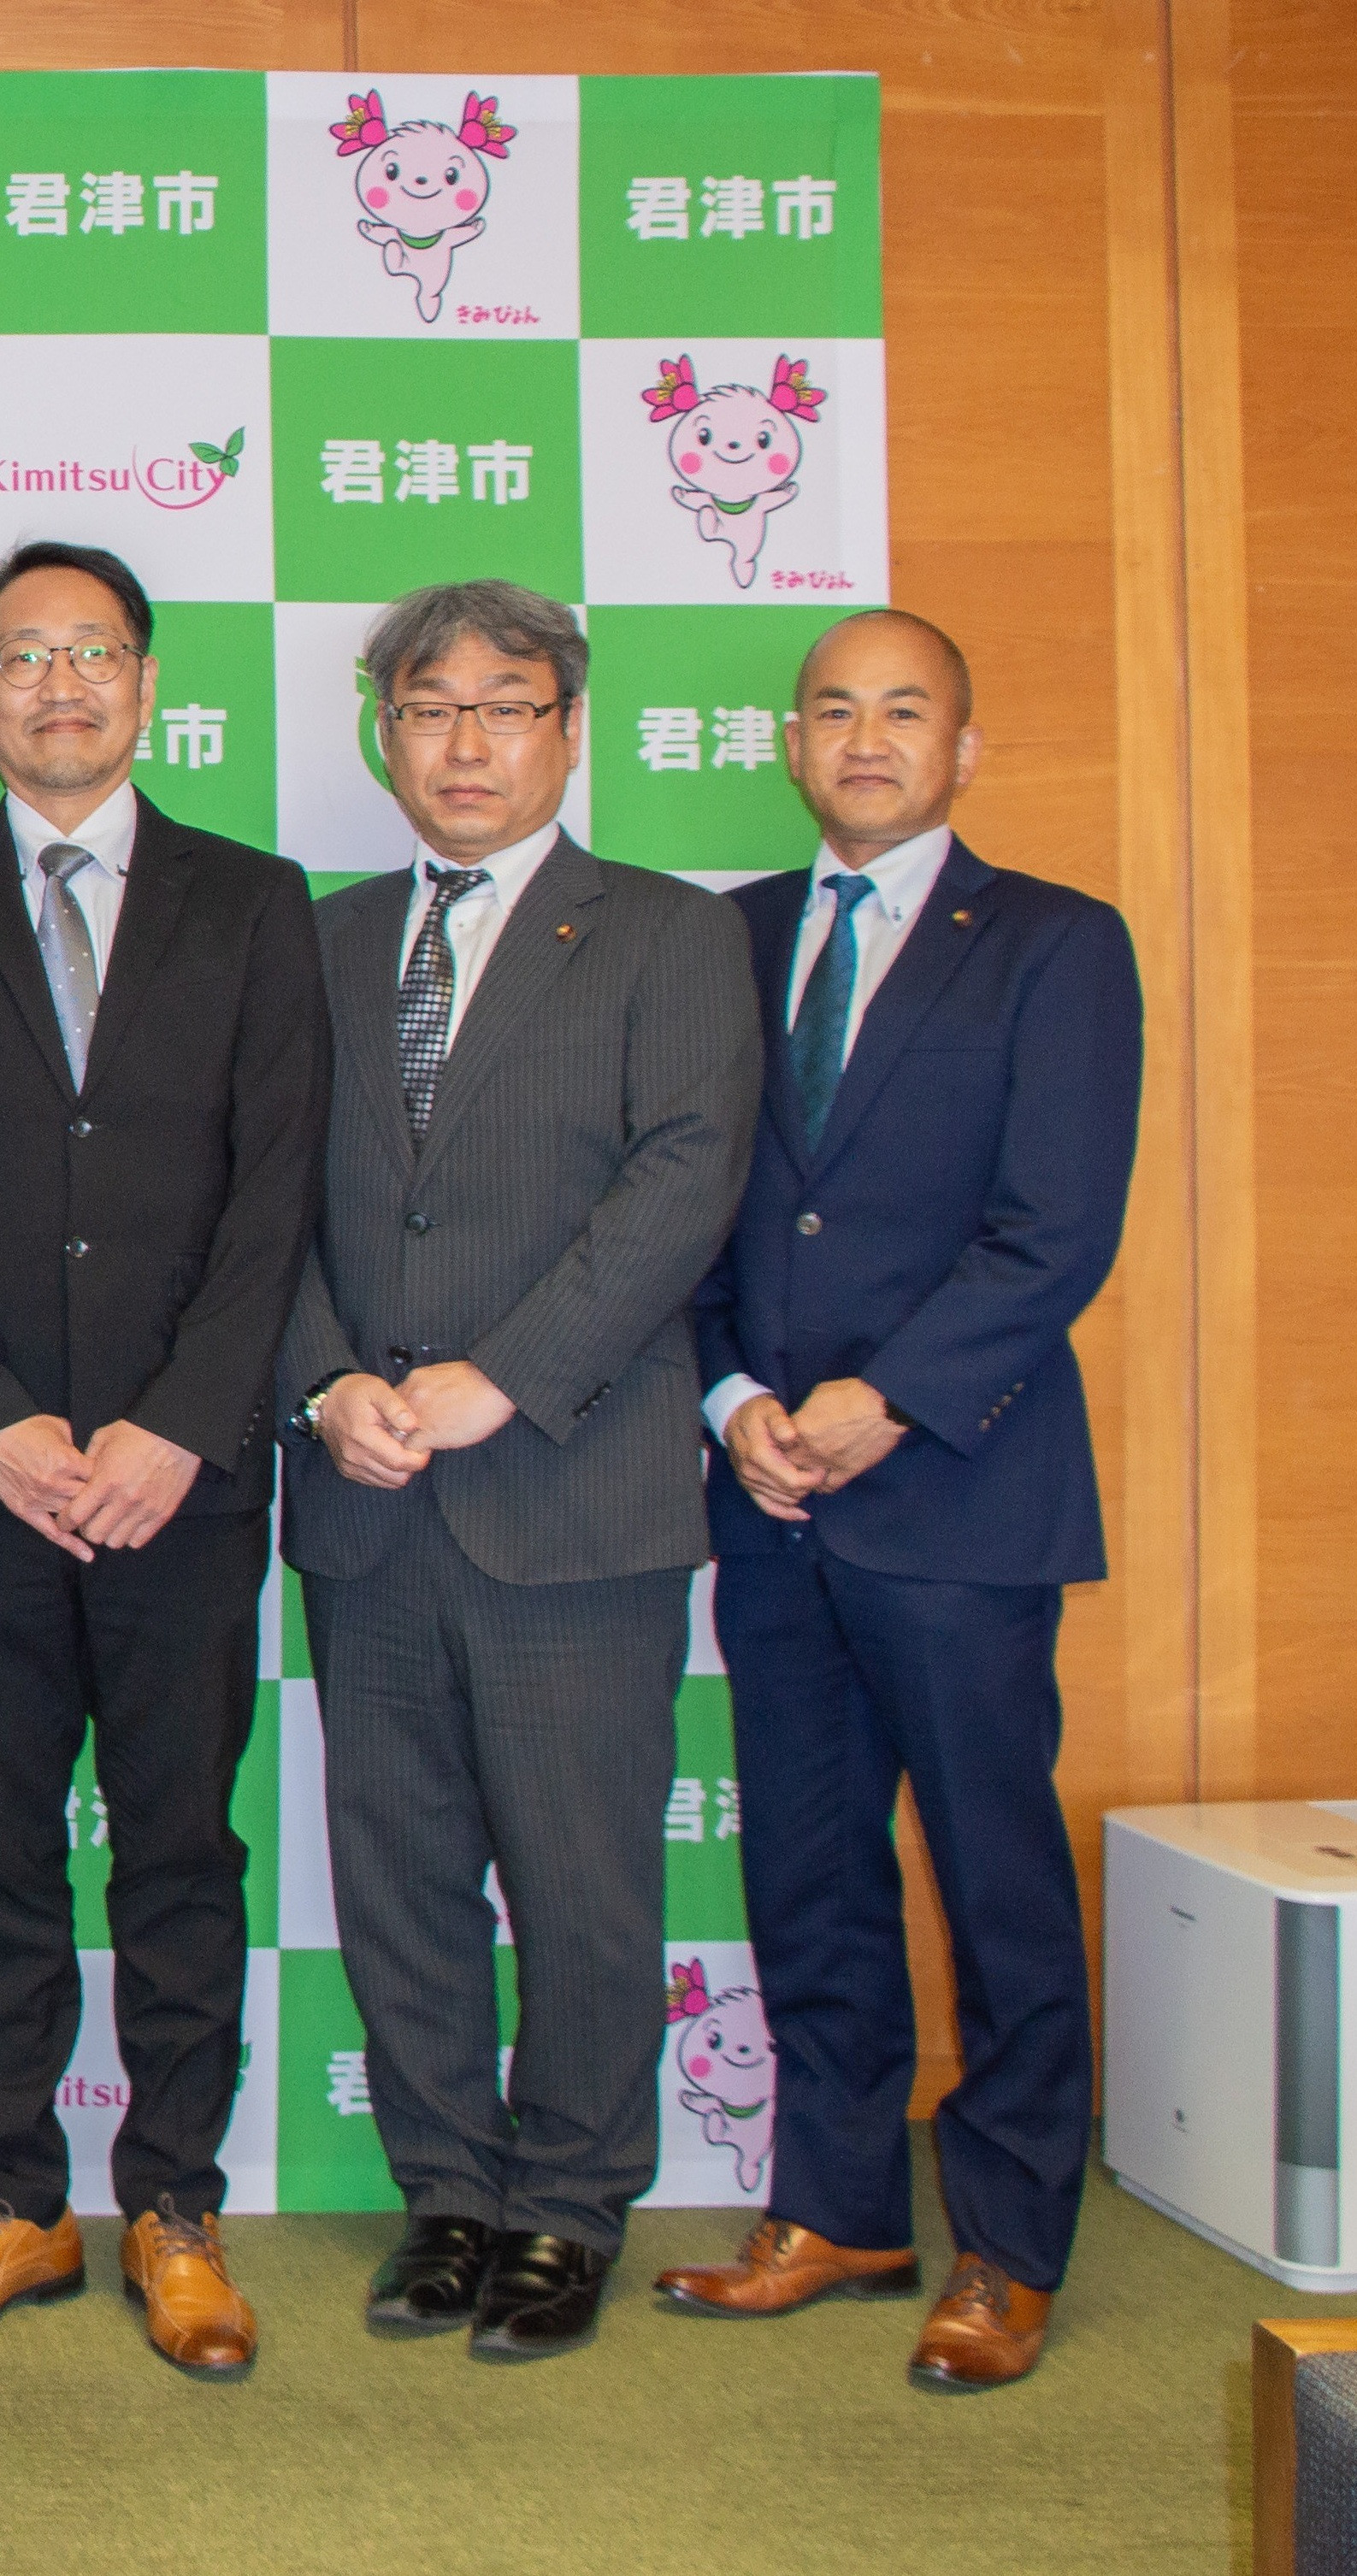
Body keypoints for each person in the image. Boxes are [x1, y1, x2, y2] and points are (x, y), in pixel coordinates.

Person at [0, 543, 325, 2377]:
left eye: (94, 652)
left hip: (184, 1479)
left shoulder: (256, 902)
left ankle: (175, 2204)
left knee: (183, 1844)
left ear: (147, 683)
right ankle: (13, 2199)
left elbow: (276, 1194)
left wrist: (180, 1424)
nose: (60, 684)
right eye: (24, 655)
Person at [653, 613, 1139, 2390]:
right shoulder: (724, 939)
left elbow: (1055, 1227)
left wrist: (886, 1401)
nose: (865, 738)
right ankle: (839, 2208)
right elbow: (688, 1207)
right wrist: (732, 1400)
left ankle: (1007, 2241)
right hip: (767, 1494)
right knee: (807, 1870)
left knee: (996, 1880)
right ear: (790, 743)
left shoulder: (1055, 943)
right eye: (835, 709)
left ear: (963, 747)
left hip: (959, 1491)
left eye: (904, 710)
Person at [280, 578, 760, 2361]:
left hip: (572, 1491)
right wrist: (323, 1376)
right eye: (428, 707)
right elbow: (256, 1199)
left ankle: (568, 2203)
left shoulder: (668, 934)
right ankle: (449, 2193)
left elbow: (682, 1182)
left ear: (569, 728)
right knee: (398, 1873)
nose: (463, 742)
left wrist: (506, 1375)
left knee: (581, 1881)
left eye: (504, 705)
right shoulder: (316, 943)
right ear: (381, 734)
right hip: (364, 1492)